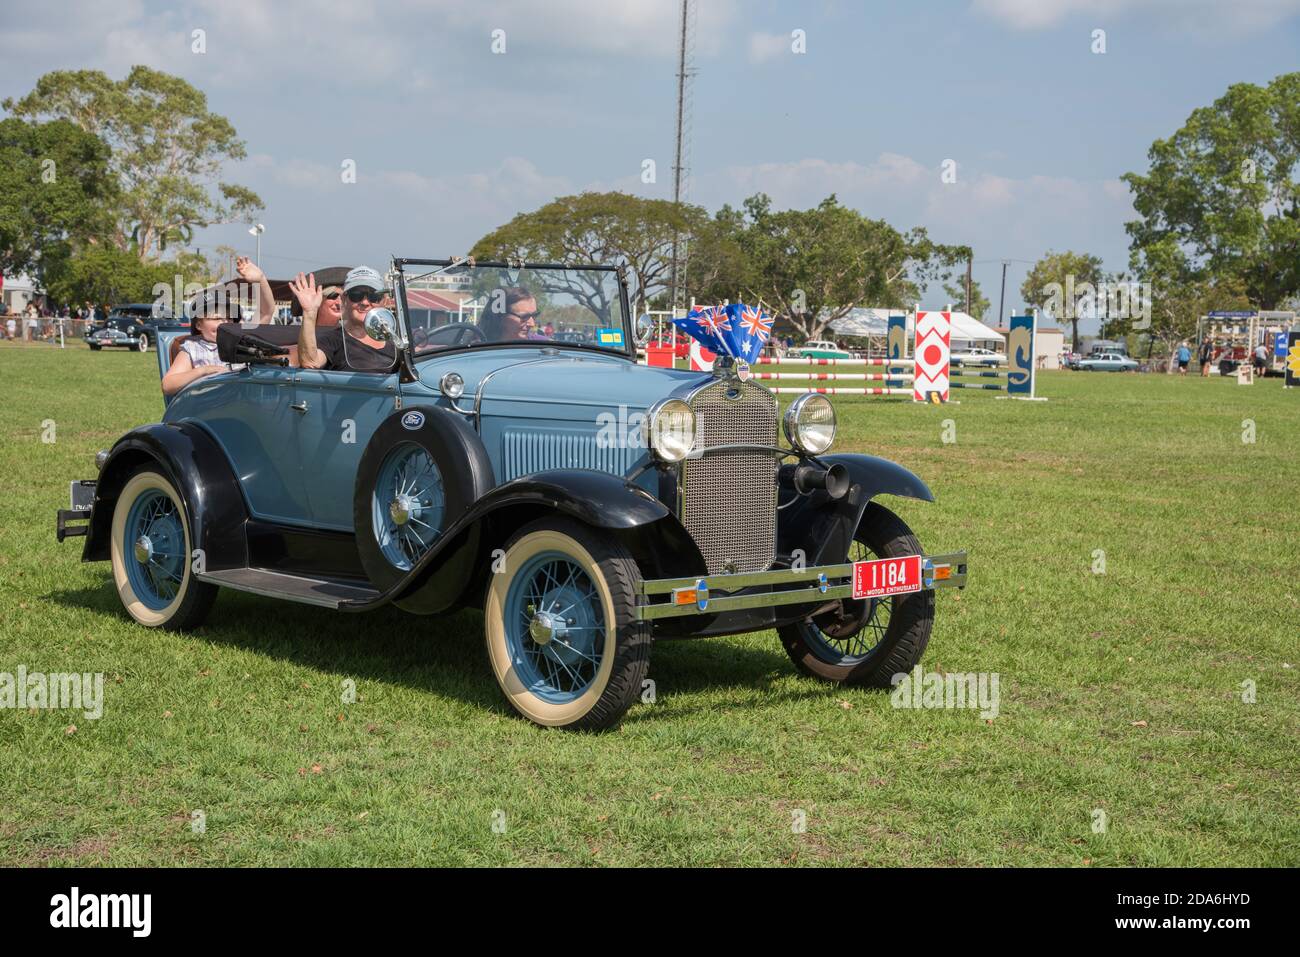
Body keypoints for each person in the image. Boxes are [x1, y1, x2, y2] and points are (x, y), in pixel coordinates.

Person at [291, 266, 396, 372]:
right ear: (344, 299)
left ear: (384, 301)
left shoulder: (396, 340)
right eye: (356, 295)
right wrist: (310, 312)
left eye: (374, 296)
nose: (365, 302)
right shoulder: (333, 340)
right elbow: (310, 362)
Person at [161, 293, 241, 396]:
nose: (225, 322)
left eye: (229, 318)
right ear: (199, 325)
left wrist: (260, 279)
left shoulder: (240, 344)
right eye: (216, 318)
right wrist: (204, 371)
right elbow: (167, 385)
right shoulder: (193, 347)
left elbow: (265, 314)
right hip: (208, 405)